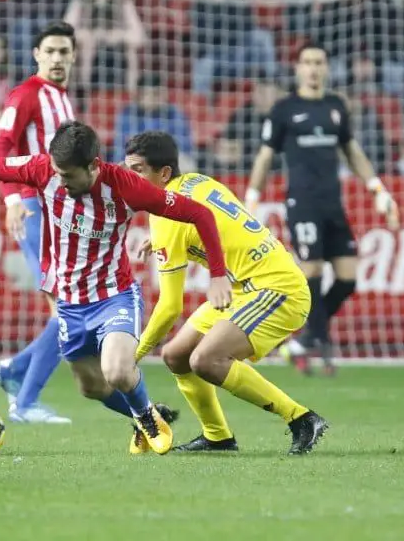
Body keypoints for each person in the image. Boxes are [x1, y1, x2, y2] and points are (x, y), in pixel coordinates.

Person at [0, 121, 232, 455]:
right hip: (69, 301)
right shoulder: (43, 169)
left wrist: (218, 275)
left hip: (113, 296)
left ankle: (144, 415)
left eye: (68, 175)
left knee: (117, 371)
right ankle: (144, 413)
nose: (59, 180)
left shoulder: (127, 187)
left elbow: (200, 215)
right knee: (90, 387)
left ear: (93, 166)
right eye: (57, 172)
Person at [128, 131, 327, 455]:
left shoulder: (164, 217)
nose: (130, 178)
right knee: (175, 355)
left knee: (206, 359)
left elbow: (170, 307)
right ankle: (218, 437)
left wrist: (131, 357)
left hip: (276, 287)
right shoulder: (196, 182)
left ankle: (301, 419)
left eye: (137, 170)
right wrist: (168, 241)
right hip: (246, 286)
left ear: (164, 173)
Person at [244, 43, 400, 376]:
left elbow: (352, 150)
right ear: (298, 68)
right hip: (302, 203)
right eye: (307, 63)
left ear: (326, 68)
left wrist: (378, 190)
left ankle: (304, 340)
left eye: (319, 63)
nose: (313, 69)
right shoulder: (284, 109)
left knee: (347, 279)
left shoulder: (336, 107)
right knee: (312, 272)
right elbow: (265, 156)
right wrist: (252, 199)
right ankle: (320, 343)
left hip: (333, 203)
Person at [0, 22, 78, 424]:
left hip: (61, 214)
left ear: (73, 56)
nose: (57, 58)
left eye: (64, 52)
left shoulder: (61, 99)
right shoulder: (25, 95)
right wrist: (11, 199)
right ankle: (24, 401)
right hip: (35, 210)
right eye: (50, 51)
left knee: (71, 308)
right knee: (69, 308)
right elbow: (0, 147)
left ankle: (14, 371)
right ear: (37, 55)